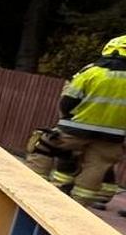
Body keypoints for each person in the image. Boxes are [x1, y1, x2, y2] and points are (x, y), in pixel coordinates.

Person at [25, 35, 126, 209]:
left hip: (77, 129)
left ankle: (32, 186)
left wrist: (66, 119)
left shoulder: (92, 72)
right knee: (97, 166)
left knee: (43, 144)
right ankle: (78, 205)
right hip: (113, 136)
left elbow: (68, 101)